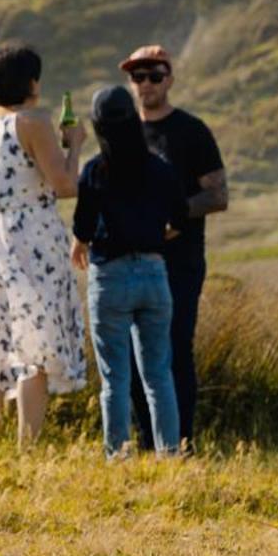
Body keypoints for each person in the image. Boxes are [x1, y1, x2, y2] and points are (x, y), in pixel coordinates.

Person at [0, 44, 88, 446]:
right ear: (32, 82)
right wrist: (74, 144)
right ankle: (27, 448)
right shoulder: (34, 122)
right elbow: (66, 186)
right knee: (34, 347)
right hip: (32, 238)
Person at [120, 45, 227, 450]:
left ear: (170, 78)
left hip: (180, 262)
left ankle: (182, 442)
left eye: (153, 75)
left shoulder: (192, 131)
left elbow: (218, 195)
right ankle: (147, 442)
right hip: (130, 260)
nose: (145, 83)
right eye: (137, 76)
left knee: (175, 348)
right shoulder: (122, 131)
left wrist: (176, 216)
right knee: (131, 355)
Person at [70, 87, 184, 456]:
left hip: (111, 277)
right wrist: (154, 234)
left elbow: (83, 229)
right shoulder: (160, 168)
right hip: (153, 272)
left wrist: (80, 243)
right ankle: (169, 452)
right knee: (158, 374)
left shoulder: (95, 171)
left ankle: (117, 453)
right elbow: (180, 219)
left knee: (114, 379)